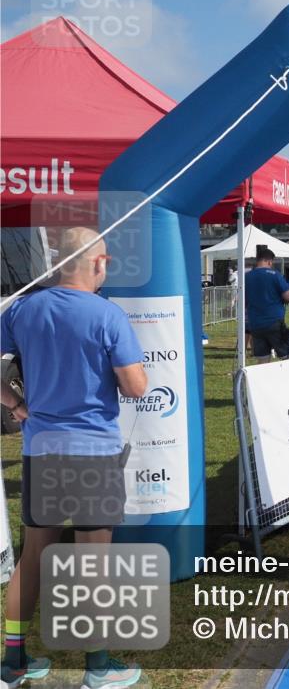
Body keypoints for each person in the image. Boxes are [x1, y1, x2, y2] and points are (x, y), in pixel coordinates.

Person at [0, 227, 147, 689]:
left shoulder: (21, 309)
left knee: (33, 557)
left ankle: (12, 662)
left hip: (41, 449)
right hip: (93, 454)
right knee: (92, 562)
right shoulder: (107, 314)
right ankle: (98, 666)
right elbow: (135, 386)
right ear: (98, 262)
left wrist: (16, 404)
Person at [245, 246, 289, 363]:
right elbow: (288, 297)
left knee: (263, 361)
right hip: (274, 321)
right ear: (269, 261)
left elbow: (244, 299)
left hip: (255, 323)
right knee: (287, 358)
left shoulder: (247, 276)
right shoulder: (274, 274)